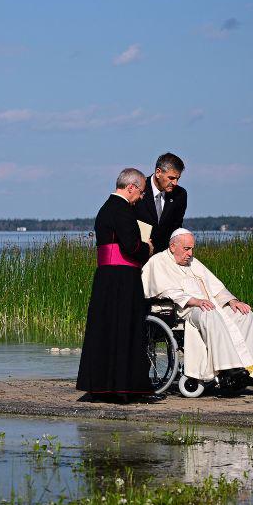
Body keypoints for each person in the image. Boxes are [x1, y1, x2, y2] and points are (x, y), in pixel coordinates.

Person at [142, 228, 253, 390]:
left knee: (243, 314)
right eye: (186, 249)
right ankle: (227, 371)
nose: (190, 253)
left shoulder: (193, 262)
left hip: (208, 305)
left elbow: (216, 287)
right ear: (172, 247)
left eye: (192, 249)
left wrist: (232, 301)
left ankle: (252, 369)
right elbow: (165, 291)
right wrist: (194, 301)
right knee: (208, 313)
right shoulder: (159, 261)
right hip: (184, 310)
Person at [76, 168, 160, 403]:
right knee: (125, 330)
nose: (141, 197)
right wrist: (149, 248)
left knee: (105, 330)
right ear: (131, 187)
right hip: (122, 278)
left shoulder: (105, 208)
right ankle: (124, 388)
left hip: (106, 277)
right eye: (141, 192)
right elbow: (131, 247)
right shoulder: (122, 210)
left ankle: (101, 385)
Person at [134, 152, 187, 253]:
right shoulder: (138, 188)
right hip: (138, 254)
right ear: (158, 172)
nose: (175, 183)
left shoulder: (180, 194)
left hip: (166, 256)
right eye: (171, 178)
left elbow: (177, 227)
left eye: (177, 178)